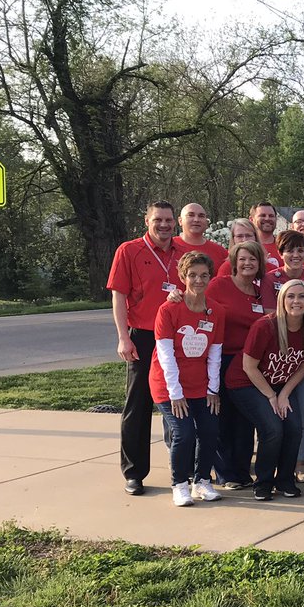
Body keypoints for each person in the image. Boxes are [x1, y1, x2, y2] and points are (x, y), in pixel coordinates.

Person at [107, 200, 188, 495]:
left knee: (177, 400)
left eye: (168, 220)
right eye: (158, 220)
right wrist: (122, 337)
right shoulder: (128, 250)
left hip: (176, 336)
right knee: (138, 405)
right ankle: (134, 472)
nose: (164, 225)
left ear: (174, 223)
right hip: (142, 335)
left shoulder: (183, 253)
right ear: (147, 221)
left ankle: (180, 468)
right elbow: (118, 297)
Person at [226, 278, 304, 501]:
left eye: (301, 296)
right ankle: (264, 482)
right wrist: (271, 396)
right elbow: (249, 366)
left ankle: (285, 480)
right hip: (246, 383)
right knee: (273, 428)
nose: (296, 301)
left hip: (278, 386)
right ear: (281, 301)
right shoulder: (265, 326)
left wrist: (284, 394)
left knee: (296, 427)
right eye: (291, 296)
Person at [149, 251, 224, 507]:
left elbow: (215, 353)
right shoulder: (168, 309)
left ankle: (202, 481)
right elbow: (165, 354)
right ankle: (179, 484)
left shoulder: (216, 312)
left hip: (201, 385)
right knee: (184, 433)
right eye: (192, 275)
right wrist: (176, 393)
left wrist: (213, 389)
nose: (198, 280)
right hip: (169, 385)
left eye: (204, 275)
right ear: (183, 276)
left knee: (210, 430)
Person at [205, 240, 268, 489]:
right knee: (221, 417)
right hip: (221, 359)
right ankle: (226, 473)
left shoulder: (260, 292)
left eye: (253, 259)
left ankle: (242, 472)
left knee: (246, 419)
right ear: (233, 262)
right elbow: (199, 308)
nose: (247, 263)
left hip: (250, 364)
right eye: (242, 259)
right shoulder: (218, 286)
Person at [259, 230, 304, 325]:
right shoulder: (269, 280)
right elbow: (271, 317)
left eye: (300, 251)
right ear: (280, 254)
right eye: (290, 251)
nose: (296, 255)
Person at [174, 203, 228, 269]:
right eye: (191, 215)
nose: (196, 220)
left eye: (201, 216)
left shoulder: (221, 253)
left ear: (206, 222)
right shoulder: (168, 247)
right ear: (180, 221)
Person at [250, 201, 281, 269]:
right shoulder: (245, 248)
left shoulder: (284, 246)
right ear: (251, 220)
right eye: (262, 215)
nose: (267, 219)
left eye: (271, 216)